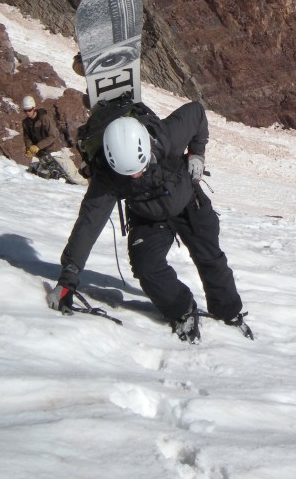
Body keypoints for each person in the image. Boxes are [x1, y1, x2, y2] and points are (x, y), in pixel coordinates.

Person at [46, 100, 247, 343]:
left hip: (187, 202)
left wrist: (196, 154)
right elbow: (88, 225)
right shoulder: (107, 177)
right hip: (147, 216)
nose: (136, 175)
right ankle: (182, 311)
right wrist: (69, 277)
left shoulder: (166, 134)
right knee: (145, 266)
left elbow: (197, 112)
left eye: (140, 167)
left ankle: (229, 313)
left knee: (210, 258)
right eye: (128, 174)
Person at [22, 95, 87, 186]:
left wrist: (37, 146)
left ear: (34, 108)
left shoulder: (44, 118)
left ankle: (87, 186)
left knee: (72, 174)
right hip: (42, 155)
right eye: (25, 111)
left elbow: (53, 136)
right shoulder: (26, 123)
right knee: (50, 178)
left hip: (54, 152)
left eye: (29, 110)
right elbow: (27, 137)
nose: (27, 113)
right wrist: (30, 148)